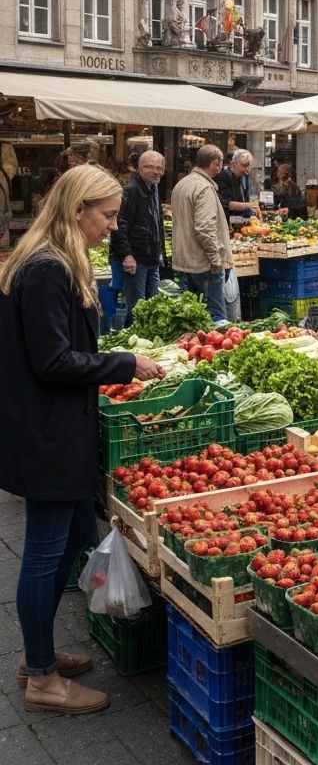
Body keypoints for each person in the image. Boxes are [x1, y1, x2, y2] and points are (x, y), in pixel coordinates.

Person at [0, 165, 163, 714]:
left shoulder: (53, 260)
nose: (115, 227)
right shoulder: (47, 268)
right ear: (77, 211)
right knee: (46, 554)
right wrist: (124, 364)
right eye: (109, 215)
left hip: (54, 427)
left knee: (71, 540)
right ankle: (42, 679)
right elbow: (52, 359)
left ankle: (37, 655)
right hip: (46, 435)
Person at [171, 144, 233, 324]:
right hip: (204, 261)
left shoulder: (181, 184)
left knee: (194, 317)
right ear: (216, 163)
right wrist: (216, 259)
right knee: (216, 317)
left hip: (185, 259)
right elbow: (205, 228)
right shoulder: (204, 188)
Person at [109, 150, 166, 326]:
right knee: (138, 310)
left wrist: (160, 253)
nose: (157, 172)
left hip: (151, 259)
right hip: (136, 260)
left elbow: (156, 224)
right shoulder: (131, 191)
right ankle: (132, 347)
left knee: (153, 307)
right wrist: (127, 255)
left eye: (160, 168)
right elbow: (119, 227)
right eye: (152, 167)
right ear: (141, 168)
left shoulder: (153, 189)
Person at [215, 149, 255, 226]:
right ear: (233, 164)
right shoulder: (223, 176)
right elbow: (227, 204)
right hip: (226, 223)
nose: (247, 170)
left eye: (249, 166)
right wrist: (250, 205)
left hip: (239, 221)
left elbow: (244, 198)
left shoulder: (243, 176)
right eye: (244, 165)